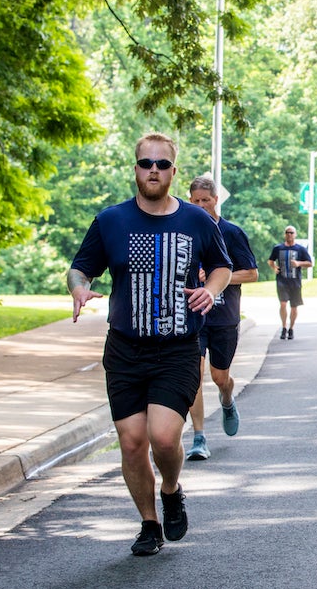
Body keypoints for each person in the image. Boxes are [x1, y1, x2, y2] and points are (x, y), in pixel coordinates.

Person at [68, 132, 232, 556]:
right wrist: (79, 289)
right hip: (124, 348)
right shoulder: (111, 221)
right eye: (146, 163)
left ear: (174, 172)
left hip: (177, 346)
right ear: (136, 169)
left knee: (162, 438)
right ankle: (148, 524)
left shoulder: (196, 221)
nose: (153, 170)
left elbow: (221, 268)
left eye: (162, 164)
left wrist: (211, 292)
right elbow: (81, 268)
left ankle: (172, 489)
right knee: (132, 441)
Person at [184, 176, 259, 461]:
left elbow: (251, 274)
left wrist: (218, 278)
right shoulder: (186, 233)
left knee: (219, 377)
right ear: (190, 201)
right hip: (195, 316)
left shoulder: (231, 233)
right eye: (196, 201)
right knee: (194, 376)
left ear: (216, 200)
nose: (202, 206)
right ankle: (199, 437)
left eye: (206, 200)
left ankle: (227, 399)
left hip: (225, 316)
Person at [268, 226, 313, 339]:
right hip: (282, 280)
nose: (289, 235)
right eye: (287, 232)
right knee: (283, 304)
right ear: (285, 234)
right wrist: (274, 267)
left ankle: (291, 328)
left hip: (295, 281)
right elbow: (270, 260)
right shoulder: (278, 248)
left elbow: (310, 263)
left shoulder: (300, 249)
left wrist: (298, 264)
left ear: (295, 234)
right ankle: (283, 327)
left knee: (294, 307)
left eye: (291, 233)